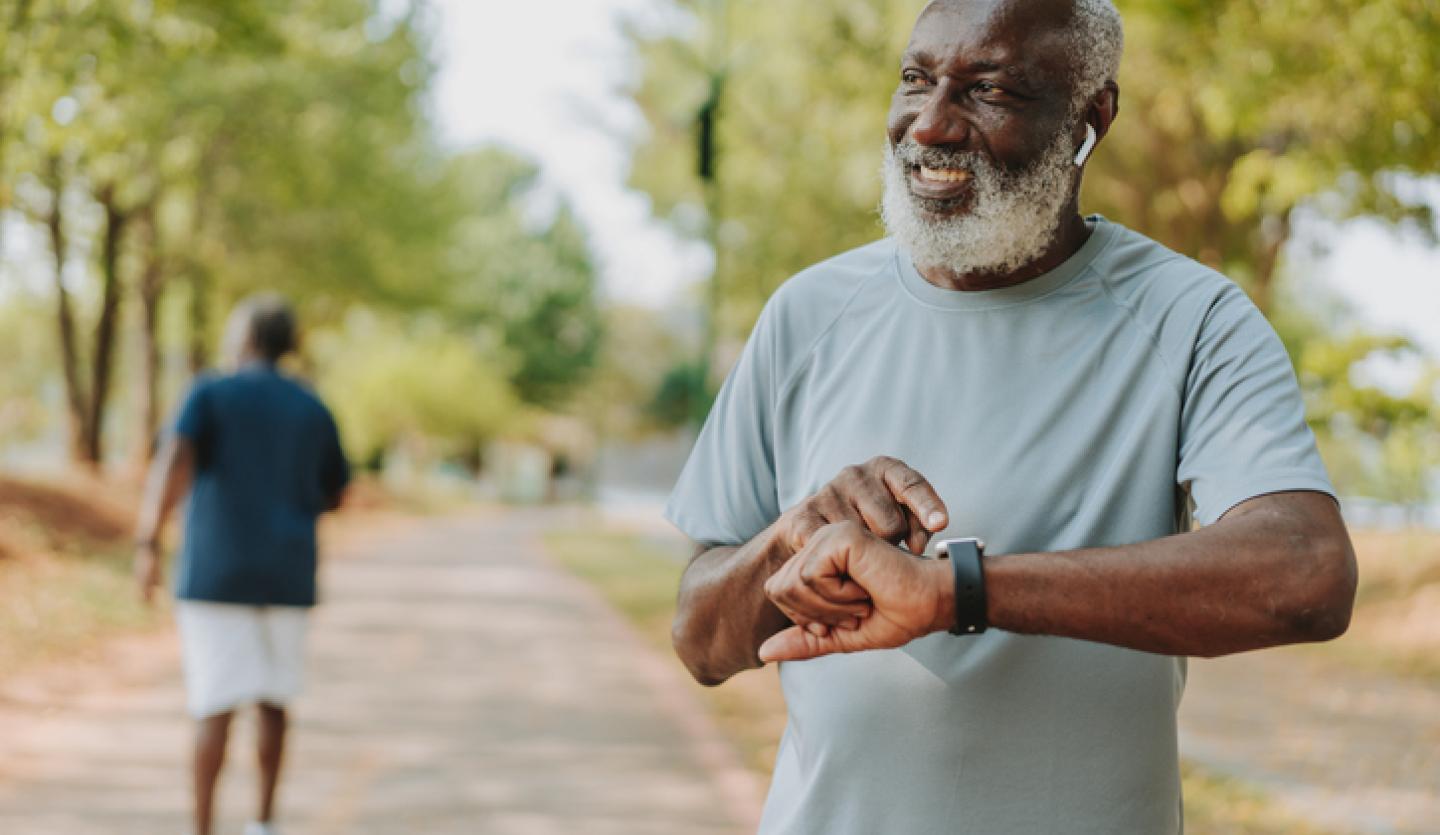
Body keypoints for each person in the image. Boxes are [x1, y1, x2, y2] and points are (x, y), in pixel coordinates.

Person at [665, 0, 1357, 832]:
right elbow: (700, 640)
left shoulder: (1189, 316)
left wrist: (959, 591)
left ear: (1090, 117)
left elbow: (1304, 573)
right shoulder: (809, 313)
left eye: (987, 89)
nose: (930, 126)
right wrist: (786, 547)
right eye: (916, 80)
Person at [135, 294, 349, 835]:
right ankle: (264, 822)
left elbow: (174, 462)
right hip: (287, 573)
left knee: (214, 706)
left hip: (215, 574)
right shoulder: (312, 406)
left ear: (248, 337)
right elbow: (336, 489)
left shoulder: (209, 391)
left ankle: (203, 827)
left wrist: (147, 543)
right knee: (274, 702)